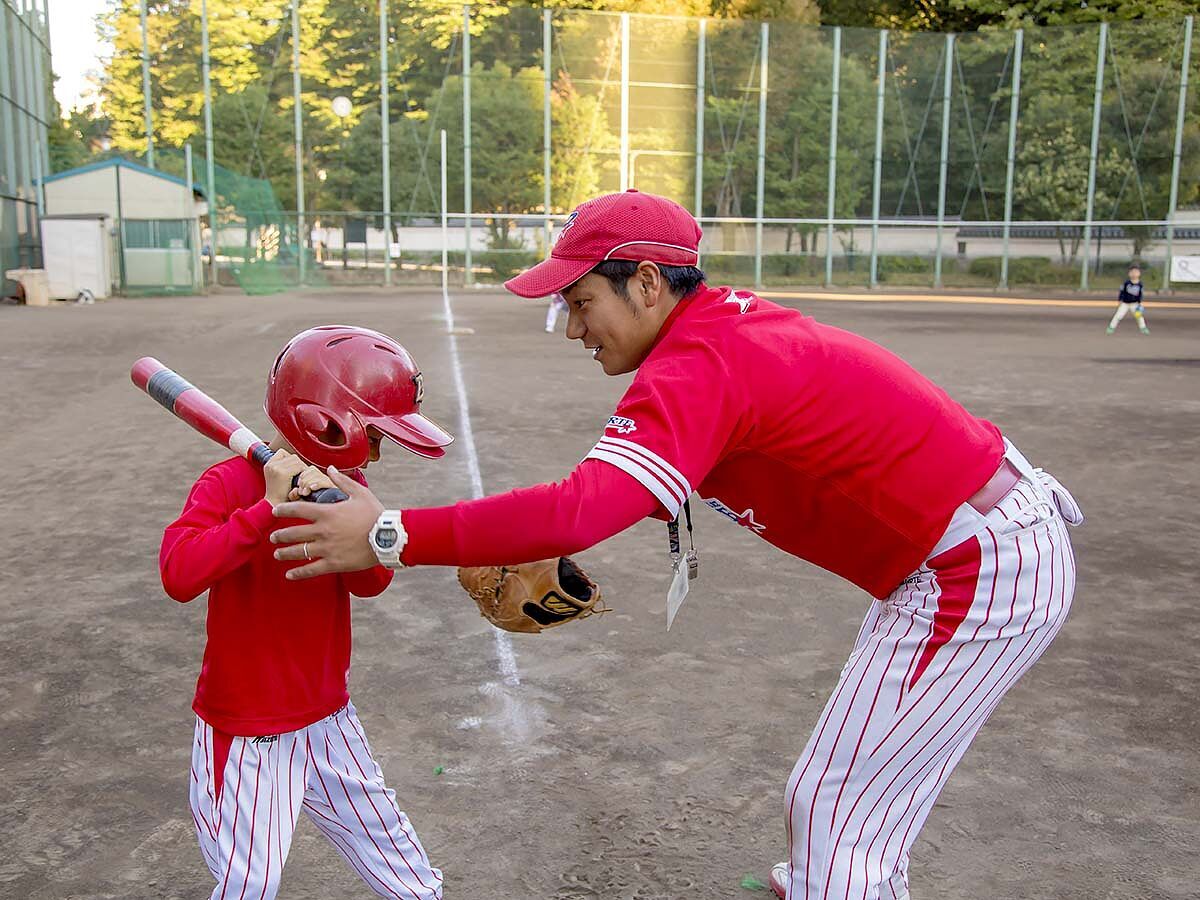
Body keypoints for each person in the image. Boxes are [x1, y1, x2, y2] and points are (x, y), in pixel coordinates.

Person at [268, 191, 1084, 900]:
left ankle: (841, 875)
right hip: (967, 550)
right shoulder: (714, 334)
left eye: (581, 302)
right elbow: (671, 476)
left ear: (649, 283)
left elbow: (585, 506)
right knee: (868, 777)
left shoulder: (701, 361)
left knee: (833, 799)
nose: (572, 328)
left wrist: (387, 534)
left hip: (977, 570)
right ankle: (839, 876)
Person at [160, 325, 451, 900]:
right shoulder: (228, 484)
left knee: (409, 875)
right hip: (250, 729)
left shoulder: (348, 485)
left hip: (329, 718)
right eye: (374, 434)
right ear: (327, 424)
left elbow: (371, 583)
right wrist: (266, 510)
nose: (378, 449)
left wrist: (356, 518)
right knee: (252, 884)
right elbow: (179, 574)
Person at [1106, 264, 1150, 334]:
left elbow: (1140, 294)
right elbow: (1122, 292)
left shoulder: (1140, 284)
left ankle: (1143, 328)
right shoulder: (1126, 283)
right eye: (1132, 272)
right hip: (1125, 303)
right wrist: (1120, 300)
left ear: (1139, 273)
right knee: (1118, 315)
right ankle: (1111, 327)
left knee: (1139, 316)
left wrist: (1140, 303)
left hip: (1135, 304)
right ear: (1129, 273)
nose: (1134, 274)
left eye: (1136, 272)